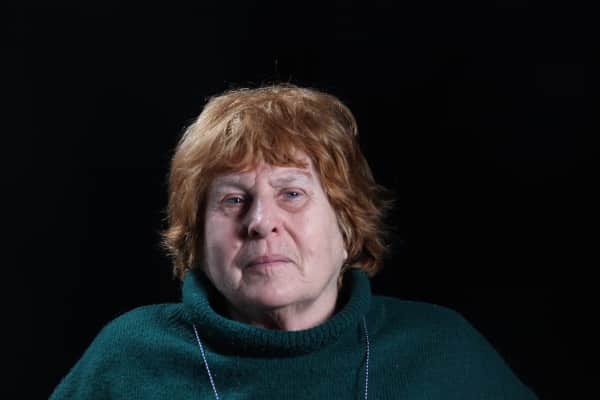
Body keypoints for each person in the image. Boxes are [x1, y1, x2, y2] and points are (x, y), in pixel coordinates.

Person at [50, 84, 538, 399]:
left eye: (291, 193)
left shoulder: (443, 350)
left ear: (347, 226)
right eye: (233, 200)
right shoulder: (128, 358)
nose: (261, 222)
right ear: (197, 236)